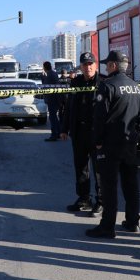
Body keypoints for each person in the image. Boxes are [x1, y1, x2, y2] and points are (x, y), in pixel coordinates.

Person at [86, 51, 140, 239]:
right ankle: (133, 222)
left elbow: (99, 118)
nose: (104, 67)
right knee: (131, 185)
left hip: (110, 146)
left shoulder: (107, 86)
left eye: (106, 64)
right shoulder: (137, 87)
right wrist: (135, 138)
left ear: (113, 65)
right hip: (129, 144)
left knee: (109, 187)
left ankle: (107, 226)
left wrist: (97, 142)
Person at [60, 52, 103, 215]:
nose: (88, 67)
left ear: (96, 65)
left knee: (99, 169)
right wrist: (64, 129)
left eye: (91, 63)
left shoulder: (103, 82)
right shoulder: (75, 83)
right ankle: (84, 198)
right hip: (79, 132)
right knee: (81, 168)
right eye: (85, 64)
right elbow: (68, 108)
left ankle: (101, 201)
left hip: (97, 133)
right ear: (81, 67)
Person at [41, 61, 61, 141]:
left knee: (52, 117)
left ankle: (54, 135)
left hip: (52, 98)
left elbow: (45, 87)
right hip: (56, 98)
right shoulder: (54, 73)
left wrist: (42, 77)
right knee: (55, 117)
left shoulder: (49, 75)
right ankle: (59, 132)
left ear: (44, 68)